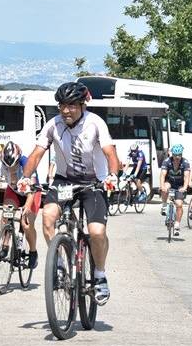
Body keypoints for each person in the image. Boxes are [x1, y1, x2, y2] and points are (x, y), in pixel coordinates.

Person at [18, 81, 121, 304]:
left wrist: (112, 176)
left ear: (83, 105)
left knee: (96, 232)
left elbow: (110, 153)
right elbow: (36, 153)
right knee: (48, 217)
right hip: (64, 180)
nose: (66, 110)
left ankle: (100, 275)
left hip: (94, 182)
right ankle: (60, 265)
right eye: (62, 105)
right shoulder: (53, 125)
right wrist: (26, 178)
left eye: (72, 105)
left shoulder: (95, 123)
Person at [0, 141, 41, 269]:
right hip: (14, 191)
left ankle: (33, 252)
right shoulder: (2, 165)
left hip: (31, 193)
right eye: (6, 166)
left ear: (18, 159)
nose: (10, 169)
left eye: (13, 166)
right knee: (6, 215)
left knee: (26, 223)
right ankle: (5, 245)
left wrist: (26, 206)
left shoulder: (27, 163)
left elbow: (32, 191)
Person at [158, 144, 192, 236]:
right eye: (175, 155)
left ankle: (177, 224)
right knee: (165, 187)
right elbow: (162, 175)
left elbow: (186, 176)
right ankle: (164, 205)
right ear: (172, 155)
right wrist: (162, 186)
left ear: (181, 154)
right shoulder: (167, 161)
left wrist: (185, 187)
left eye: (179, 155)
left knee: (179, 204)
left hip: (180, 185)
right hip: (170, 181)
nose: (177, 157)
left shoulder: (185, 162)